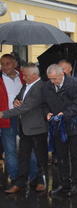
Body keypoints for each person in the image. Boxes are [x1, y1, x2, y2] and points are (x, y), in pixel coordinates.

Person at [1, 63, 48, 194]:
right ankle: (20, 183)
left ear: (34, 75)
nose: (23, 77)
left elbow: (26, 107)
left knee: (40, 156)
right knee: (23, 156)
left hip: (38, 128)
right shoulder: (27, 85)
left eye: (26, 75)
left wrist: (3, 113)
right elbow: (20, 98)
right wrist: (16, 100)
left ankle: (40, 181)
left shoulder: (40, 87)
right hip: (25, 127)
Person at [44, 64, 77, 196]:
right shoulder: (47, 86)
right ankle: (64, 184)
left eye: (55, 79)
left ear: (62, 74)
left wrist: (65, 113)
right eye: (50, 79)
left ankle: (76, 184)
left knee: (75, 155)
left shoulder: (76, 83)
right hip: (57, 126)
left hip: (73, 125)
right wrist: (47, 113)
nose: (52, 82)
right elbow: (44, 103)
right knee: (61, 156)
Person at [0, 53, 23, 187]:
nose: (4, 66)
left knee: (29, 148)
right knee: (10, 149)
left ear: (15, 64)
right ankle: (14, 178)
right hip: (7, 118)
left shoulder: (23, 76)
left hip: (24, 117)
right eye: (2, 64)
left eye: (7, 63)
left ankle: (33, 176)